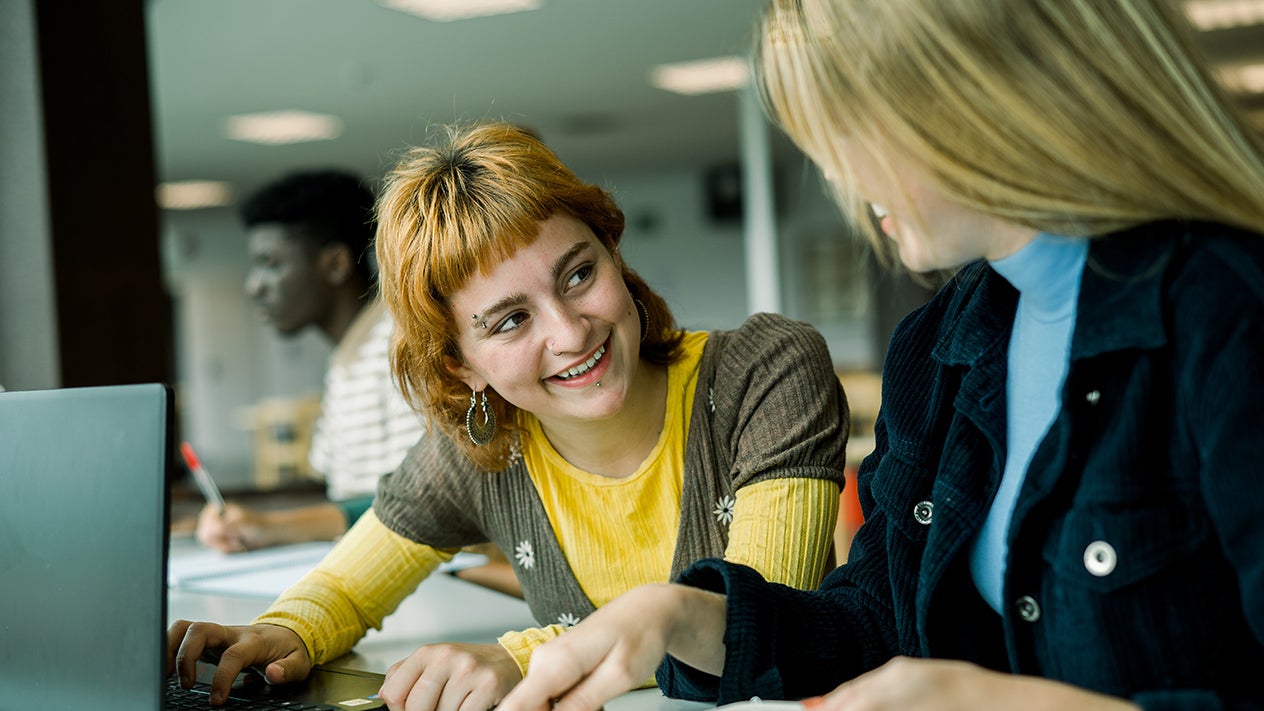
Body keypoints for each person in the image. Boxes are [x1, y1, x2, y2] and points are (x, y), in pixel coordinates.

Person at [496, 1, 1264, 709]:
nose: (839, 179)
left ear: (976, 100)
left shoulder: (1228, 311)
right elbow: (875, 620)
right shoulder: (939, 346)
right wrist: (680, 615)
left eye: (848, 134)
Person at [167, 121, 852, 709]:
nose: (570, 332)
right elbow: (347, 583)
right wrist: (286, 631)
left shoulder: (765, 371)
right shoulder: (480, 444)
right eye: (510, 319)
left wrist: (526, 657)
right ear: (461, 363)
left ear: (614, 250)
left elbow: (765, 619)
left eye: (579, 274)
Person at [193, 170, 427, 553]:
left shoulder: (401, 344)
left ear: (335, 263)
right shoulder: (348, 355)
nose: (254, 285)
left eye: (270, 263)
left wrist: (275, 525)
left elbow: (424, 503)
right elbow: (339, 491)